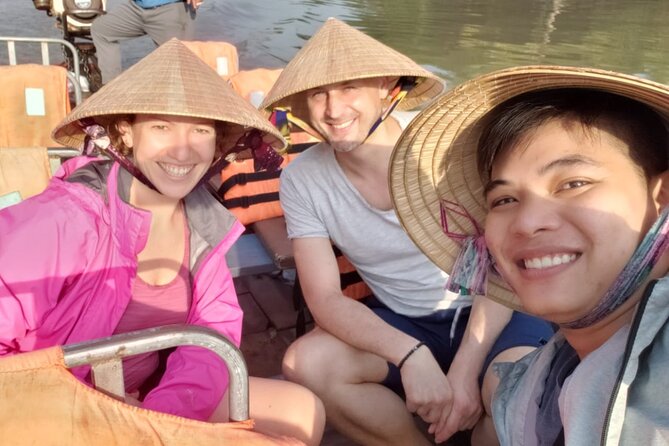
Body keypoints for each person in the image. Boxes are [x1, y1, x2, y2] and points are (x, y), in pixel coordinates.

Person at [0, 39, 324, 446]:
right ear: (126, 132)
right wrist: (98, 417)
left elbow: (214, 330)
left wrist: (159, 420)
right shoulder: (65, 218)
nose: (182, 149)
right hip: (58, 410)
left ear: (219, 144)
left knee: (302, 412)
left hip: (150, 400)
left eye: (201, 130)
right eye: (161, 126)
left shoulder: (205, 222)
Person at [261, 18, 554, 445]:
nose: (333, 110)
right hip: (407, 322)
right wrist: (410, 354)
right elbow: (323, 299)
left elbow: (505, 265)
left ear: (384, 85)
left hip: (497, 310)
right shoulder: (303, 179)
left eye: (349, 88)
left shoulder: (445, 147)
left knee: (512, 400)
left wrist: (465, 370)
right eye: (318, 93)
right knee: (308, 362)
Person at [389, 65, 669, 445]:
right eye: (504, 200)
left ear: (662, 197)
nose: (526, 223)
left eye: (573, 183)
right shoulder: (549, 374)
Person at [91, 0, 201, 84]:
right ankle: (111, 90)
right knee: (101, 30)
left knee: (180, 69)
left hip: (169, 8)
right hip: (136, 8)